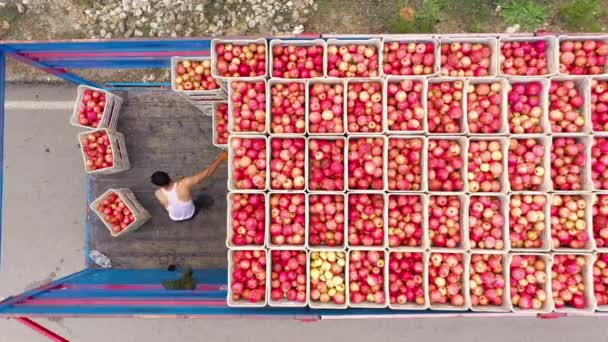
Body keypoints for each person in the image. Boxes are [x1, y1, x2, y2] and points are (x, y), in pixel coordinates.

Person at [151, 151, 228, 221]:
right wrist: (221, 158)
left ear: (158, 185)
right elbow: (207, 173)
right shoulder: (184, 184)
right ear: (169, 176)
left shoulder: (158, 194)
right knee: (200, 200)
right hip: (191, 214)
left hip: (174, 218)